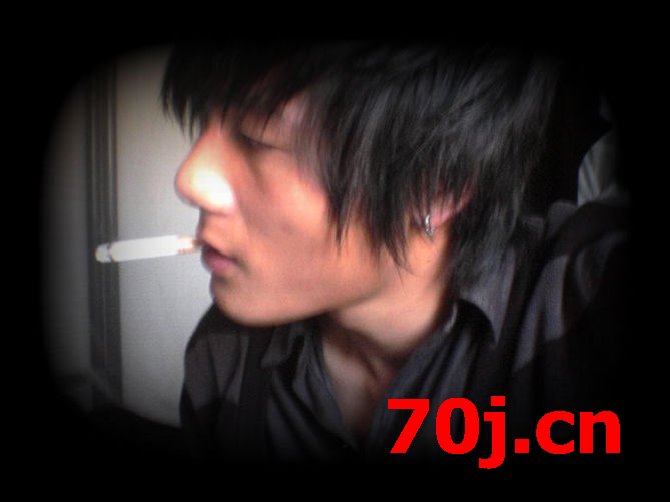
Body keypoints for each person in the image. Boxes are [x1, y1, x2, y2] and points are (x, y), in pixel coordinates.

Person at [161, 40, 630, 475]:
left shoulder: (587, 302)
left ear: (436, 187)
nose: (190, 178)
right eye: (203, 124)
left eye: (257, 138)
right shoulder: (223, 358)